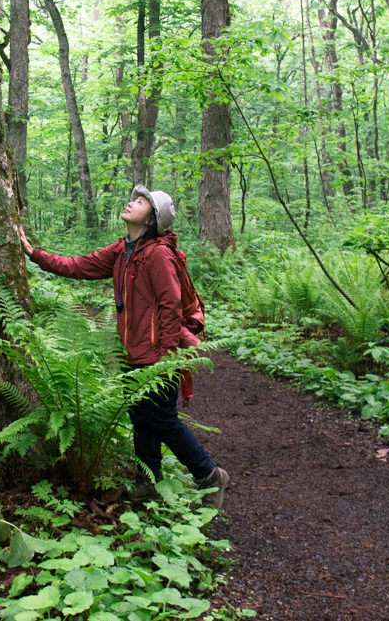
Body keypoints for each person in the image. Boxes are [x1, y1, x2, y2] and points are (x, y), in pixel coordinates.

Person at [17, 185, 230, 509]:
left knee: (163, 420)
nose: (132, 202)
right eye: (135, 198)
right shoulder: (122, 251)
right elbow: (77, 265)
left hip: (158, 355)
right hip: (134, 353)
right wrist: (34, 255)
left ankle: (210, 475)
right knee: (141, 418)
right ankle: (148, 482)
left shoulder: (157, 253)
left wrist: (166, 357)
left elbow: (171, 305)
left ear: (151, 220)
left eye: (141, 202)